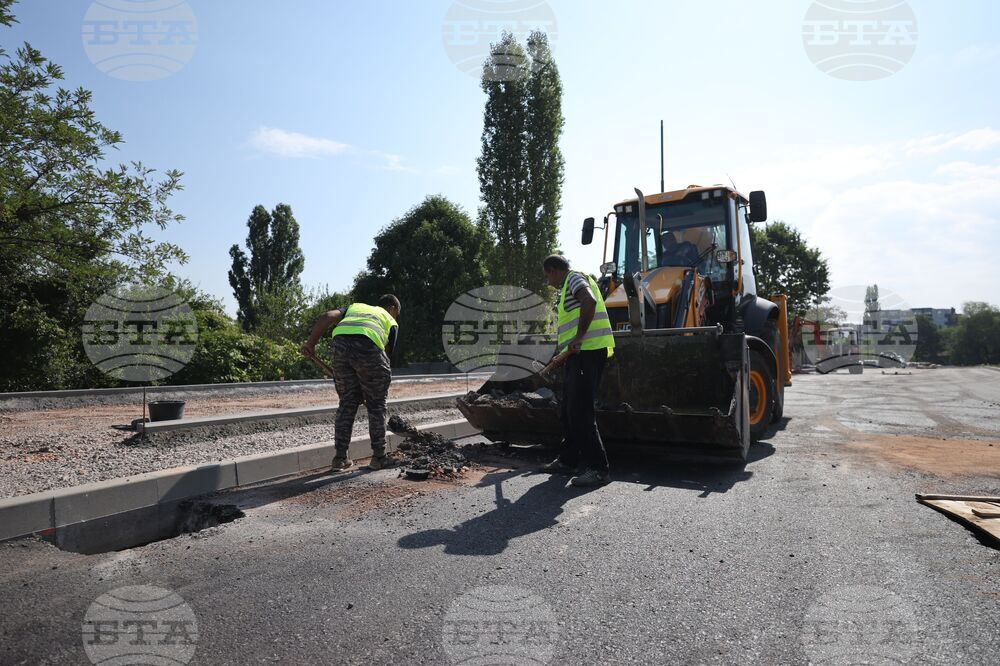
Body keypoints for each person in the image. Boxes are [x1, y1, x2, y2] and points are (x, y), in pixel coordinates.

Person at [300, 294, 401, 472]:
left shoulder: (355, 307)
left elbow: (327, 316)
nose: (396, 317)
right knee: (376, 405)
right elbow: (384, 358)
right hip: (368, 347)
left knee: (347, 403)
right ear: (392, 308)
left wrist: (310, 344)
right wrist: (372, 391)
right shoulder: (390, 321)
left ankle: (340, 458)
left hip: (339, 347)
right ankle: (379, 457)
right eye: (397, 313)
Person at [540, 255, 616, 487]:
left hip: (588, 352)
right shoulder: (567, 287)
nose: (548, 282)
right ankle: (568, 460)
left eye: (547, 276)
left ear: (553, 270)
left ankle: (599, 469)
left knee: (581, 412)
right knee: (568, 410)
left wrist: (580, 338)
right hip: (578, 355)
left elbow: (589, 301)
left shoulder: (574, 279)